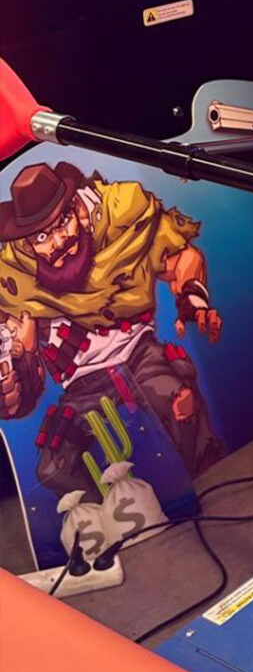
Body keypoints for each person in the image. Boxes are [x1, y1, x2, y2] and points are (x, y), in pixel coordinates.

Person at [0, 162, 225, 499]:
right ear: (27, 244)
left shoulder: (122, 220)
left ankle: (217, 487)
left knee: (181, 403)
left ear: (77, 208)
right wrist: (16, 375)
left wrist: (193, 298)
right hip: (81, 387)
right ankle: (110, 518)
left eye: (63, 222)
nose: (60, 241)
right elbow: (17, 368)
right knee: (53, 468)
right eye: (43, 237)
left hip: (139, 354)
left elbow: (181, 258)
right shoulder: (11, 281)